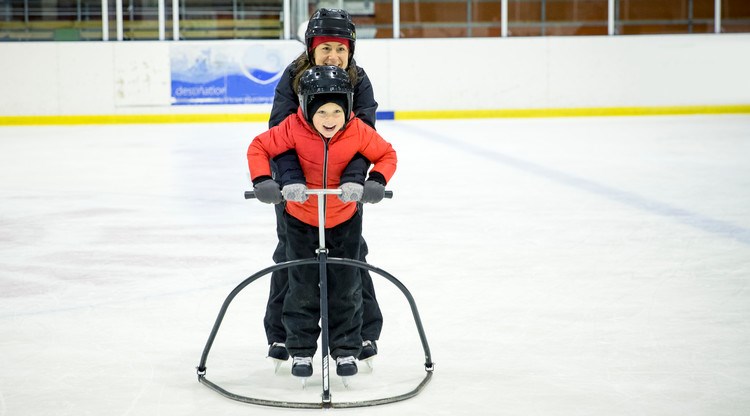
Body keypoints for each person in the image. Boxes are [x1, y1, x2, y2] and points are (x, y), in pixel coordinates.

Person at [247, 65, 397, 377]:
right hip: (301, 218)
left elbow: (387, 154)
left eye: (336, 111)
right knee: (301, 285)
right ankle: (301, 350)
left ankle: (345, 350)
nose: (330, 120)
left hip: (344, 219)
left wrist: (377, 181)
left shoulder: (357, 131)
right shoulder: (292, 128)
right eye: (322, 112)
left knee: (346, 285)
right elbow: (259, 147)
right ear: (306, 108)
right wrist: (264, 181)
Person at [262, 8, 382, 364]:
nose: (334, 55)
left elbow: (366, 138)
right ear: (312, 48)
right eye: (326, 48)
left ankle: (361, 333)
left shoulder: (358, 81)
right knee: (291, 257)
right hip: (294, 187)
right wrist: (290, 180)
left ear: (351, 51)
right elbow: (278, 136)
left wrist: (355, 179)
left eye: (342, 49)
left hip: (344, 189)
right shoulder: (293, 77)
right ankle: (283, 336)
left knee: (351, 258)